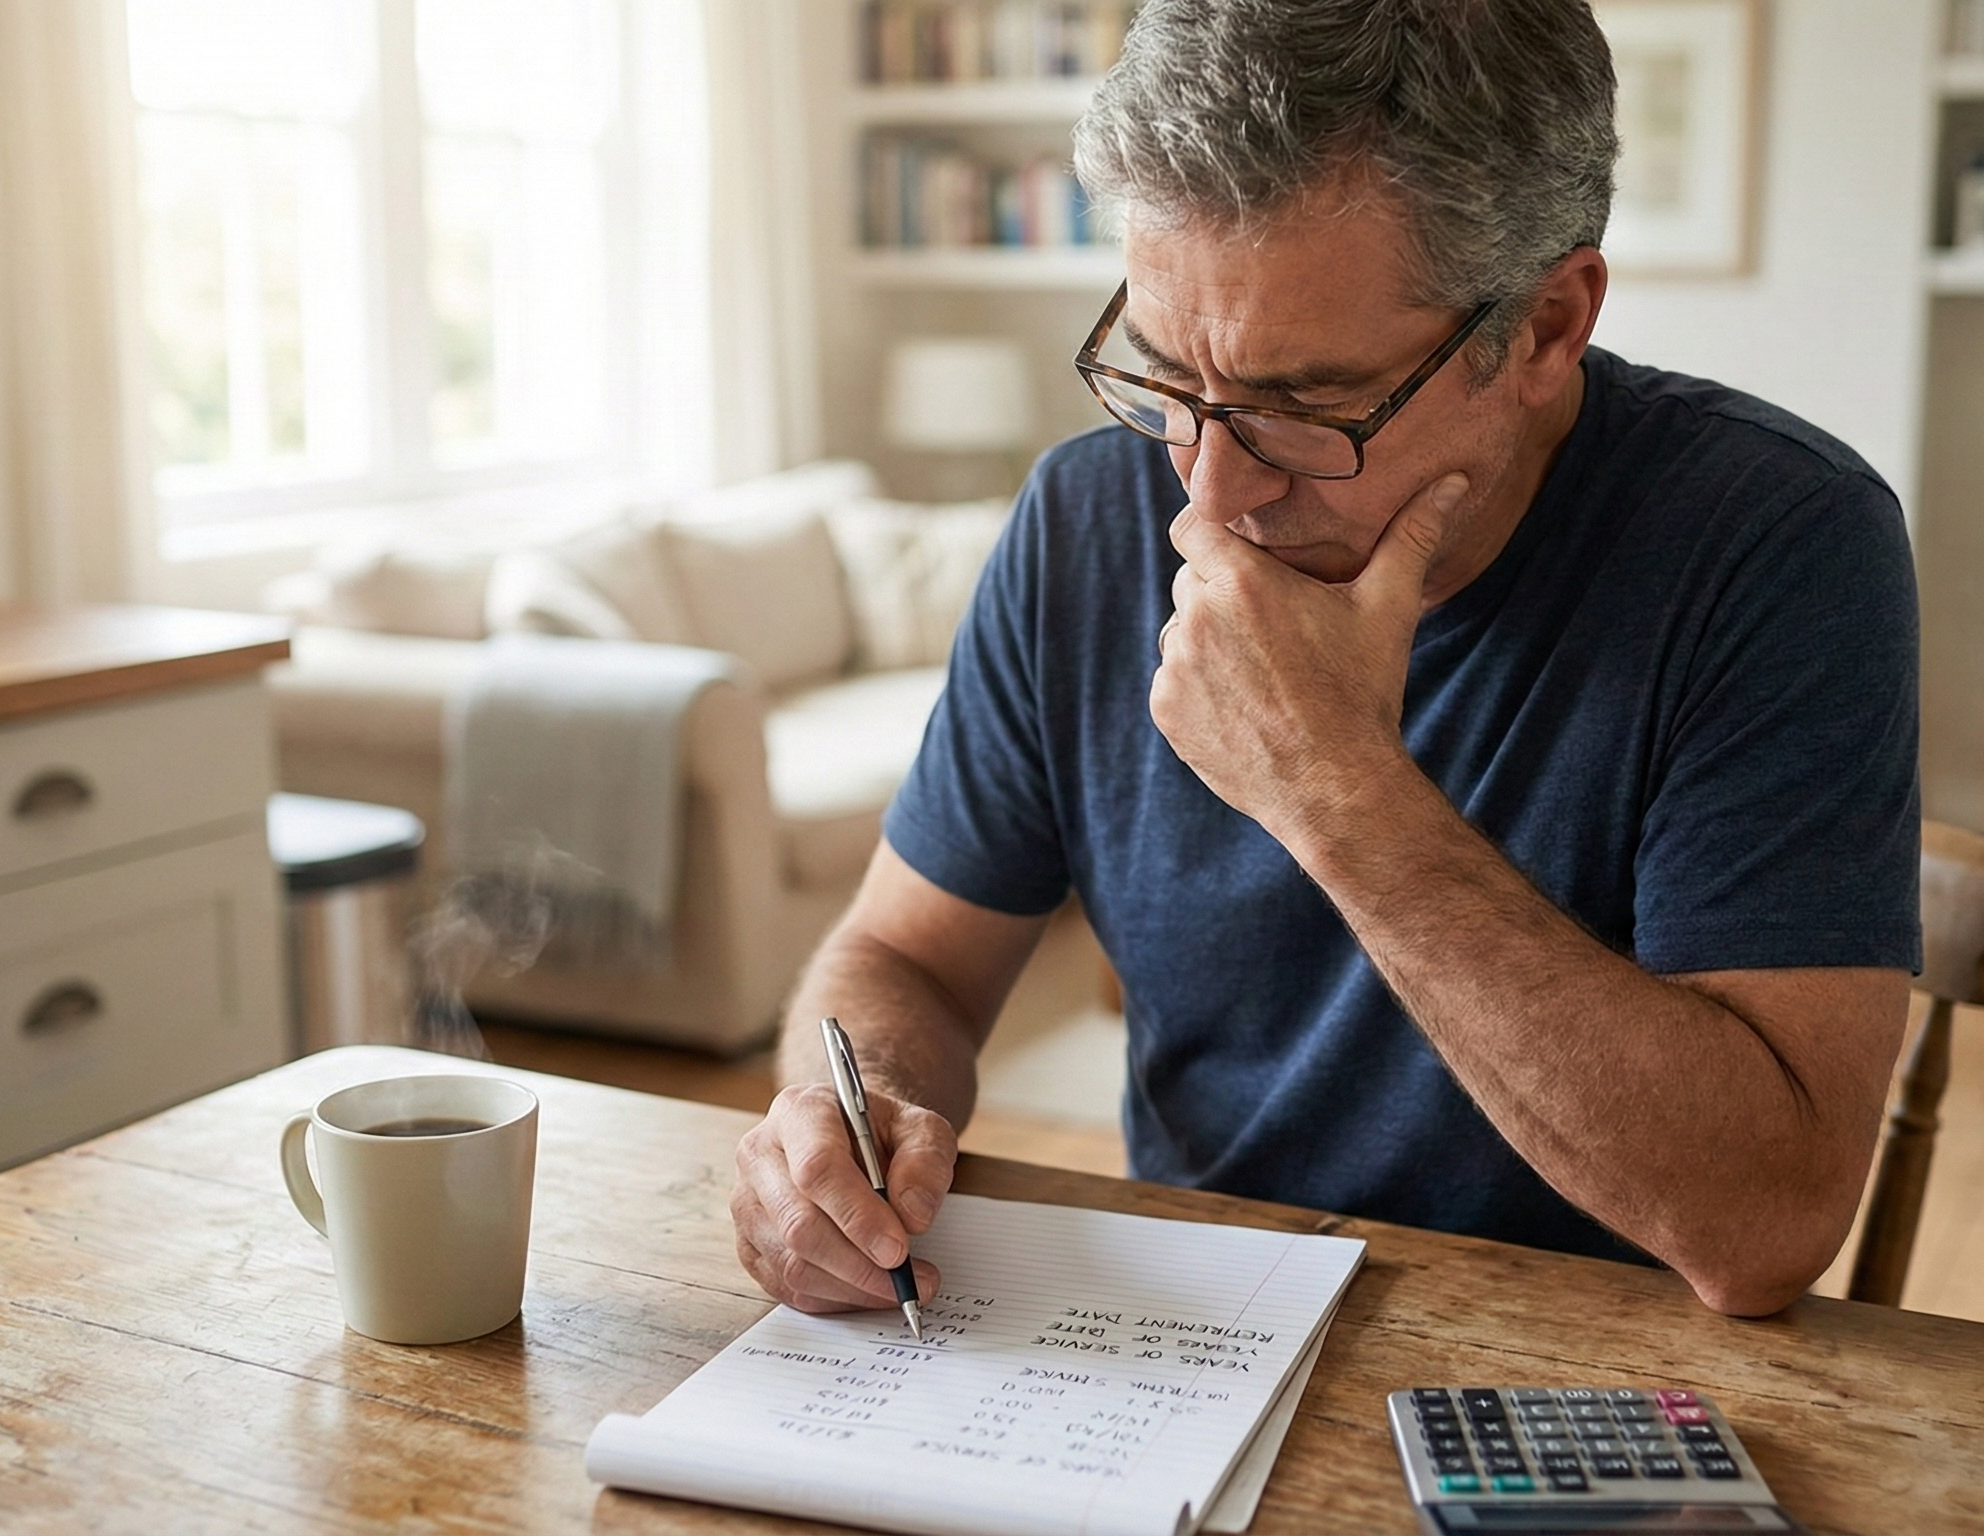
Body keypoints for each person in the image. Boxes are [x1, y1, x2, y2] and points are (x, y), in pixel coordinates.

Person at [730, 0, 1920, 1319]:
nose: (1209, 493)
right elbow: (906, 961)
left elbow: (1764, 1225)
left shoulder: (1778, 544)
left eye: (1304, 409)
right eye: (1165, 372)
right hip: (1190, 1339)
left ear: (1542, 328)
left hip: (1604, 1379)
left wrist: (1335, 788)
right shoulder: (1082, 520)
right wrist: (849, 1121)